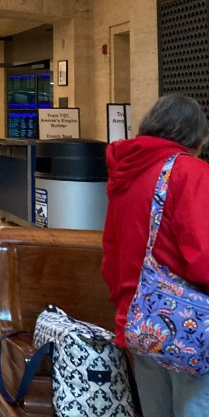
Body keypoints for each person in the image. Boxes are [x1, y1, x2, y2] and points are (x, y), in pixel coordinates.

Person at [102, 94, 209, 416]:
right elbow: (203, 257)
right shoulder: (188, 171)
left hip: (139, 316)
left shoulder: (127, 171)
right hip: (188, 322)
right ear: (195, 136)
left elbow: (112, 248)